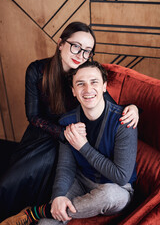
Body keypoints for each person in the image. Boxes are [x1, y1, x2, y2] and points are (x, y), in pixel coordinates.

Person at [0, 22, 139, 222]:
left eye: (87, 51)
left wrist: (134, 108)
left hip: (76, 138)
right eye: (76, 46)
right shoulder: (37, 71)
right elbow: (33, 116)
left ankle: (38, 212)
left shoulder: (84, 75)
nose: (80, 55)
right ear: (60, 43)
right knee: (14, 180)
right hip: (48, 133)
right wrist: (65, 134)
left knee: (105, 193)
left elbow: (107, 103)